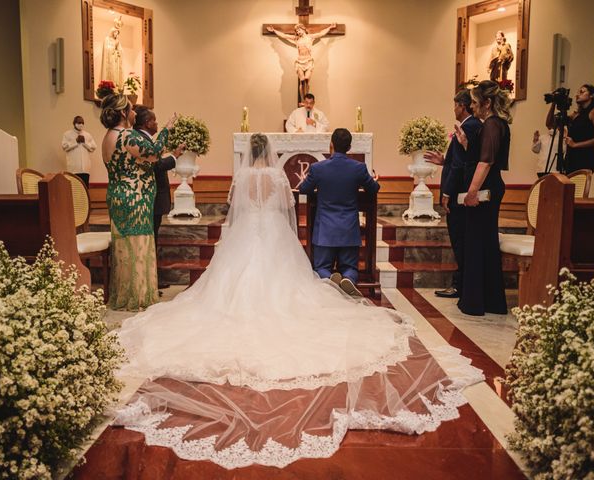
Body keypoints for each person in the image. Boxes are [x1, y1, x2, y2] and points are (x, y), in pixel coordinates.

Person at [113, 133, 483, 469]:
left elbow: (233, 210)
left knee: (228, 285)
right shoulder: (276, 177)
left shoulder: (242, 178)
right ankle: (339, 287)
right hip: (275, 233)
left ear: (249, 153)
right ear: (270, 153)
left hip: (245, 234)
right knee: (292, 285)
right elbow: (288, 208)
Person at [99, 93, 177, 311]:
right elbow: (154, 153)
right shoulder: (126, 136)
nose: (134, 113)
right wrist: (167, 130)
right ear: (124, 113)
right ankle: (139, 297)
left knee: (124, 248)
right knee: (139, 247)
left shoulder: (108, 136)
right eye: (131, 110)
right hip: (134, 199)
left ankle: (124, 295)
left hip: (116, 195)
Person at [298, 128, 380, 296]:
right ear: (349, 147)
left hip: (325, 231)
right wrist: (374, 181)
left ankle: (328, 279)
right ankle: (348, 279)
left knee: (321, 266)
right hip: (348, 229)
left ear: (331, 145)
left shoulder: (318, 168)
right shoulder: (358, 168)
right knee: (350, 267)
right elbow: (373, 189)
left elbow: (304, 189)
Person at [458, 80, 510, 316]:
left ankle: (476, 302)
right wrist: (466, 142)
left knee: (478, 242)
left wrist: (472, 191)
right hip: (489, 186)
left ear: (487, 103)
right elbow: (483, 154)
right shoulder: (495, 124)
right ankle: (490, 301)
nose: (473, 107)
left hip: (486, 189)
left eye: (477, 103)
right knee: (484, 242)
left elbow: (487, 160)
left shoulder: (491, 125)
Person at [424, 90, 482, 299]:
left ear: (463, 106)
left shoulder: (468, 127)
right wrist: (444, 161)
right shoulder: (475, 126)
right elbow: (461, 160)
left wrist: (447, 192)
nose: (454, 109)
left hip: (459, 193)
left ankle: (460, 285)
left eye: (456, 105)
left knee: (459, 239)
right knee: (462, 239)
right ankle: (463, 283)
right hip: (464, 191)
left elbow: (459, 166)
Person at [133, 105, 186, 290]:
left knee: (153, 238)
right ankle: (150, 280)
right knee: (151, 238)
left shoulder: (144, 139)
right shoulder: (140, 140)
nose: (156, 123)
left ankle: (152, 277)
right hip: (153, 195)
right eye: (154, 120)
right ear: (147, 123)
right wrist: (175, 155)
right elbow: (156, 166)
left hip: (154, 194)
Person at [267, 23, 336, 99]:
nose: (298, 32)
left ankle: (306, 98)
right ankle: (303, 99)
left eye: (299, 30)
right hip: (300, 62)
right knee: (302, 80)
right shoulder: (296, 39)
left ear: (303, 29)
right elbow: (284, 36)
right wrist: (274, 30)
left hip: (308, 61)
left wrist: (329, 27)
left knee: (306, 80)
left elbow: (321, 33)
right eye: (297, 31)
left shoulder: (310, 37)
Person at [546, 84, 594, 174]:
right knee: (569, 187)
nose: (577, 95)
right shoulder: (576, 115)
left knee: (578, 187)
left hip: (585, 158)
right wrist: (554, 102)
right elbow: (550, 124)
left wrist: (575, 144)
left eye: (582, 92)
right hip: (570, 158)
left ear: (592, 95)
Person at [61, 115, 96, 186]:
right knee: (74, 189)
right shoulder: (67, 134)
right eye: (79, 122)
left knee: (84, 188)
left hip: (85, 168)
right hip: (74, 168)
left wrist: (84, 143)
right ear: (74, 123)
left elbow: (93, 147)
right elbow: (64, 147)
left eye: (82, 123)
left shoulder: (87, 135)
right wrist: (75, 142)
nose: (81, 124)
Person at [101, 17, 124, 89]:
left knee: (116, 76)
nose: (117, 34)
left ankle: (117, 87)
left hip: (116, 62)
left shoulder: (117, 41)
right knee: (111, 75)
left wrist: (118, 50)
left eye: (118, 33)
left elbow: (121, 51)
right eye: (115, 32)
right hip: (110, 62)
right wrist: (114, 46)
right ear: (112, 32)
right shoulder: (107, 39)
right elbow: (107, 50)